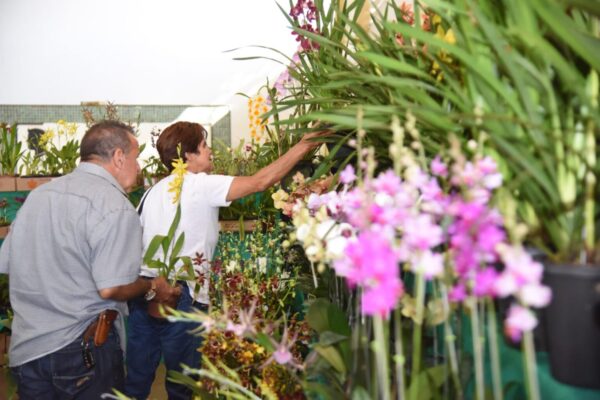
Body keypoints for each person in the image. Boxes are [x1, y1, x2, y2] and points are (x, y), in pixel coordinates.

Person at [125, 121, 326, 399]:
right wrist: (306, 144)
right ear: (189, 156)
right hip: (182, 295)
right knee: (184, 388)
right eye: (204, 146)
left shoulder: (151, 193)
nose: (210, 152)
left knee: (134, 385)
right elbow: (260, 181)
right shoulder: (199, 184)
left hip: (144, 293)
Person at [0, 121, 180, 399]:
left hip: (28, 351)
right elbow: (112, 288)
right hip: (82, 355)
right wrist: (152, 287)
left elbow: (9, 262)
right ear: (119, 157)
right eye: (136, 158)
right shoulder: (115, 206)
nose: (138, 167)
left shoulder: (38, 196)